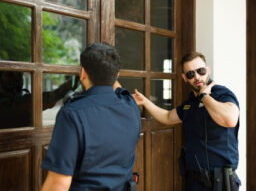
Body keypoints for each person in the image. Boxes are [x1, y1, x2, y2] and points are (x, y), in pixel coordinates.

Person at [133, 52, 241, 191]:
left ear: (208, 70)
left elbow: (230, 119)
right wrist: (144, 102)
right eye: (190, 74)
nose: (197, 77)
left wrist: (204, 96)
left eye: (201, 71)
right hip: (195, 182)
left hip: (220, 183)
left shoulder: (222, 94)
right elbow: (167, 117)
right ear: (184, 77)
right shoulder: (190, 103)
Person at [41, 42, 141, 191]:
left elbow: (58, 183)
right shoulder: (130, 106)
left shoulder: (72, 114)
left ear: (83, 73)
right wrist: (110, 71)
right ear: (117, 75)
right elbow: (119, 88)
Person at [0, 71, 75, 129]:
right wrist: (76, 80)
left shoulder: (17, 98)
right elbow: (50, 99)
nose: (17, 79)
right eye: (10, 75)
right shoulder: (8, 104)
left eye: (20, 75)